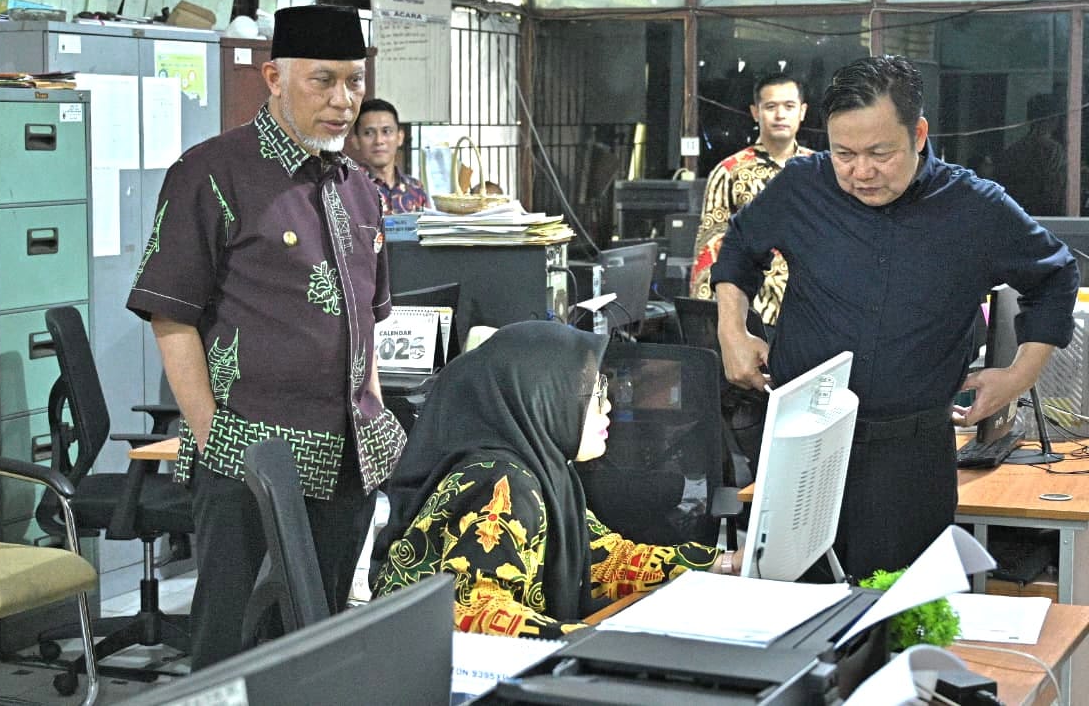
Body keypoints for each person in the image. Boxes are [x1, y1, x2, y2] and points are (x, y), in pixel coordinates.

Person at [711, 55, 1079, 580]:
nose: (861, 171)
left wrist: (1020, 375)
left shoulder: (974, 206)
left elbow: (1056, 275)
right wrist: (733, 329)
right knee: (791, 609)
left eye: (880, 153)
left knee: (903, 614)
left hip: (911, 455)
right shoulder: (802, 186)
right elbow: (740, 248)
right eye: (844, 154)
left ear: (919, 134)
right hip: (803, 444)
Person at [126, 4, 407, 668]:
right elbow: (172, 317)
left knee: (314, 642)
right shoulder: (213, 173)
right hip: (249, 455)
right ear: (274, 77)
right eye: (323, 81)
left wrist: (373, 411)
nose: (344, 102)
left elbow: (368, 318)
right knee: (231, 644)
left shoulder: (360, 190)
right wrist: (210, 438)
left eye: (355, 81)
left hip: (350, 461)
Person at [370, 321, 741, 639]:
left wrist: (721, 565)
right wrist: (585, 643)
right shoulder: (501, 482)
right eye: (595, 394)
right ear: (543, 396)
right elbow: (473, 610)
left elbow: (604, 559)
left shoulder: (547, 472)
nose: (608, 405)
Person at [690, 72, 812, 327]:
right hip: (753, 312)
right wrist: (708, 321)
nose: (780, 115)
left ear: (802, 111)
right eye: (771, 107)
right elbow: (710, 246)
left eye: (789, 106)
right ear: (756, 112)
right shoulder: (729, 171)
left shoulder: (819, 170)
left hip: (814, 310)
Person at [346, 97, 431, 213]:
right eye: (369, 133)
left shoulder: (416, 188)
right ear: (356, 141)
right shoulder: (346, 188)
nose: (379, 141)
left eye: (386, 131)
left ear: (400, 137)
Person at [995, 92, 1067, 217]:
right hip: (1045, 216)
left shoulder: (1013, 150)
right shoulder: (1053, 150)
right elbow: (1054, 190)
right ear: (1054, 118)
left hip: (1017, 215)